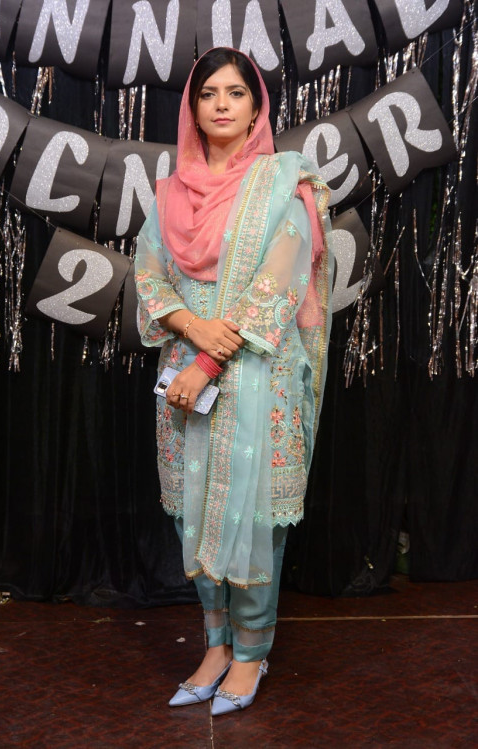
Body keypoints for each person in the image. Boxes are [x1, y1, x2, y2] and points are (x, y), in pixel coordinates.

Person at [135, 47, 332, 715]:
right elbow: (149, 276)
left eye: (236, 93)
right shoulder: (170, 192)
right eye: (208, 93)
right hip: (185, 376)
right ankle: (215, 645)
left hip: (254, 375)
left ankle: (251, 651)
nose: (221, 103)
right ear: (192, 109)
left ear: (256, 109)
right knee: (194, 510)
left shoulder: (284, 183)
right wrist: (191, 327)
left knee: (252, 517)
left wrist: (208, 360)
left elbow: (279, 285)